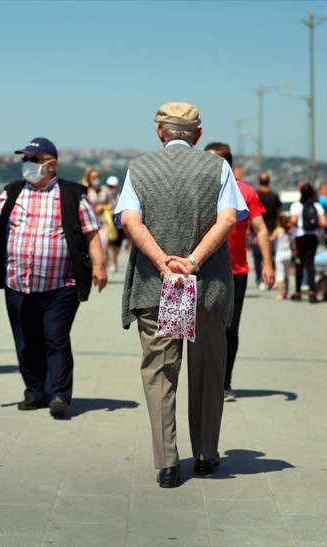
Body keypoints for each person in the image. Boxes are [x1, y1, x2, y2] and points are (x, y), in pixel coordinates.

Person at [116, 102, 247, 488]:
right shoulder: (218, 167)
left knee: (160, 372)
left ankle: (168, 463)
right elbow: (228, 219)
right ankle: (205, 454)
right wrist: (190, 261)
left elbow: (129, 220)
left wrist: (161, 262)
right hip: (206, 285)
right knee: (207, 370)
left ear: (159, 131)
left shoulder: (139, 169)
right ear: (198, 135)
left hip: (157, 285)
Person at [0, 138, 107, 419]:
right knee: (26, 341)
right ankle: (35, 392)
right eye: (24, 159)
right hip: (18, 283)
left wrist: (98, 266)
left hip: (60, 285)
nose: (27, 164)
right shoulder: (12, 193)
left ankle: (59, 395)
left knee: (56, 339)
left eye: (34, 159)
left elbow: (91, 233)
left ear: (51, 165)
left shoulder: (72, 194)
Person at [204, 142, 273, 403]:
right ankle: (205, 380)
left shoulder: (245, 192)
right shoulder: (199, 189)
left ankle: (224, 383)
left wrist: (267, 263)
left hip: (236, 272)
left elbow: (261, 229)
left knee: (229, 330)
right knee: (202, 329)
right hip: (201, 271)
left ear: (224, 164)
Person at [289, 183, 327, 303]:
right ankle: (312, 293)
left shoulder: (296, 206)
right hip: (312, 237)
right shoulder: (317, 206)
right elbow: (324, 223)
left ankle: (297, 292)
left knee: (299, 264)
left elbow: (293, 221)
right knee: (310, 265)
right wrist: (314, 224)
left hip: (299, 237)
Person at [255, 172, 281, 289]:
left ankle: (259, 279)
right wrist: (277, 226)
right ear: (269, 182)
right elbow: (278, 214)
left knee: (258, 257)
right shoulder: (274, 196)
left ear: (259, 182)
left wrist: (250, 230)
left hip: (257, 229)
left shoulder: (256, 195)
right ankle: (268, 278)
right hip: (270, 230)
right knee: (269, 255)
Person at [105, 175, 124, 272]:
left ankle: (114, 259)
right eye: (110, 186)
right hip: (109, 219)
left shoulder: (121, 195)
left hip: (119, 219)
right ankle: (111, 261)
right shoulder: (105, 195)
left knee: (118, 244)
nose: (112, 188)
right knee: (110, 242)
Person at [272, 215, 293, 300]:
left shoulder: (278, 230)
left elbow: (272, 238)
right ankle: (287, 292)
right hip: (288, 252)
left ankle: (280, 293)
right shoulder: (289, 231)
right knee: (286, 273)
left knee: (279, 274)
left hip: (280, 253)